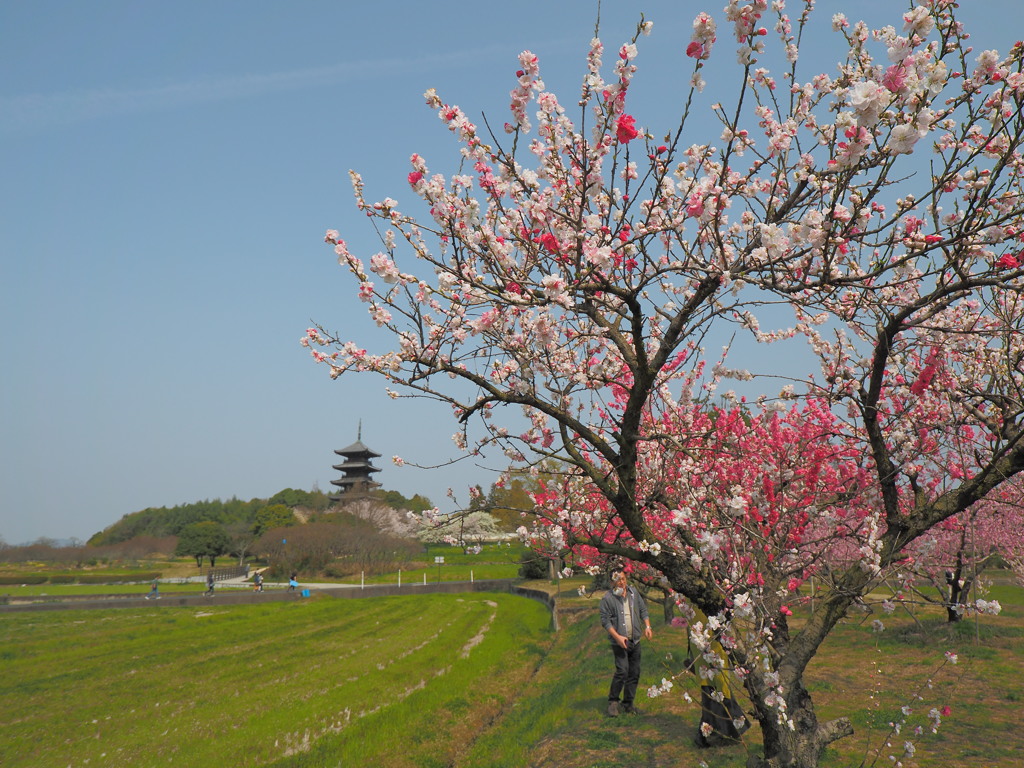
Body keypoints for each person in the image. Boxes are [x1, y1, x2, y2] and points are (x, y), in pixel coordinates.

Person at [599, 569, 653, 717]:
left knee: (634, 673)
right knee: (622, 671)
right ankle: (613, 702)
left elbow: (643, 610)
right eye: (618, 580)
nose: (621, 582)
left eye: (623, 579)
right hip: (619, 642)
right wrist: (617, 637)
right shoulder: (608, 599)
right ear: (612, 582)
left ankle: (628, 704)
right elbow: (605, 621)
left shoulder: (633, 593)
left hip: (635, 640)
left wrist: (647, 627)